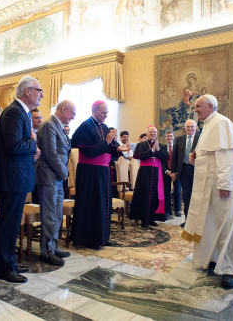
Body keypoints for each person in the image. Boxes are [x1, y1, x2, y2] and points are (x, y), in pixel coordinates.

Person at [183, 94, 233, 288]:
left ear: (210, 107)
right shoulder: (208, 124)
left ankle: (230, 270)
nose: (195, 109)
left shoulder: (221, 123)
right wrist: (198, 156)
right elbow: (211, 153)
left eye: (198, 106)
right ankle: (214, 259)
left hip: (224, 182)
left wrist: (225, 184)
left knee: (227, 223)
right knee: (211, 221)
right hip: (214, 183)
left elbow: (228, 155)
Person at [0, 75, 41, 283]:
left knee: (13, 223)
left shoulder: (22, 111)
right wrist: (33, 143)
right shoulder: (14, 112)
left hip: (17, 175)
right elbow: (12, 146)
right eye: (39, 91)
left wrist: (31, 151)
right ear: (28, 91)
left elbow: (17, 146)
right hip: (12, 177)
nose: (41, 95)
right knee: (8, 223)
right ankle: (4, 269)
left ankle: (10, 262)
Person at [70, 101, 130, 250]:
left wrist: (117, 148)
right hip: (90, 172)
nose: (106, 116)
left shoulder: (103, 127)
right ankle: (90, 239)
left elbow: (108, 148)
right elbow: (90, 152)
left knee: (104, 204)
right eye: (103, 113)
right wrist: (108, 141)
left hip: (103, 171)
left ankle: (102, 237)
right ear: (94, 110)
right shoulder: (86, 126)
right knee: (92, 204)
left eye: (107, 113)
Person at [36, 100, 75, 266]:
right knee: (49, 215)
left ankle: (54, 246)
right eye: (72, 113)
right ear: (64, 109)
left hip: (57, 177)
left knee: (57, 215)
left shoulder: (58, 126)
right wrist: (64, 171)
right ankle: (46, 251)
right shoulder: (48, 125)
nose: (73, 117)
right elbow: (50, 153)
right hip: (49, 177)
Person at [129, 125, 167, 228]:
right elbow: (139, 156)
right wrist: (151, 151)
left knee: (155, 195)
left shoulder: (162, 145)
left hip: (157, 172)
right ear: (147, 134)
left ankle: (152, 219)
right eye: (151, 132)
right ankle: (144, 220)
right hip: (145, 173)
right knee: (144, 195)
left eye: (154, 132)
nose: (153, 134)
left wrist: (157, 151)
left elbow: (164, 158)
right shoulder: (141, 145)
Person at [170, 119, 199, 227]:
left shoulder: (200, 138)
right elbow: (175, 157)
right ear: (185, 128)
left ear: (196, 127)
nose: (190, 129)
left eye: (192, 127)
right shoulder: (179, 139)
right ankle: (188, 221)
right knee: (186, 197)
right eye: (188, 127)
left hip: (197, 170)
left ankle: (196, 222)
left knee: (196, 196)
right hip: (184, 170)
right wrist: (173, 171)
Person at [160, 130, 181, 219]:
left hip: (176, 172)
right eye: (167, 136)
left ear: (173, 137)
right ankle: (168, 210)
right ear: (165, 137)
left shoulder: (177, 147)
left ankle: (177, 209)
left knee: (177, 191)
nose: (169, 138)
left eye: (171, 136)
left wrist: (174, 172)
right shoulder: (162, 148)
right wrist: (167, 171)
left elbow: (179, 160)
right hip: (166, 172)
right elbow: (161, 161)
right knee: (166, 192)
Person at [30, 108, 43, 204]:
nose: (40, 120)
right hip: (32, 167)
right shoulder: (28, 133)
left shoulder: (44, 132)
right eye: (36, 118)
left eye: (40, 117)